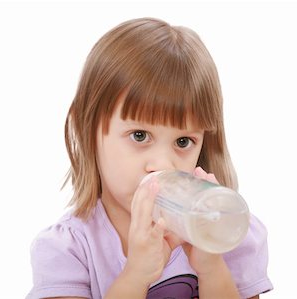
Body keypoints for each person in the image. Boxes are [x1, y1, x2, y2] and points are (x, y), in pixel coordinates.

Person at [26, 17, 273, 299]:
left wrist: (212, 268)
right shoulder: (68, 250)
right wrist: (136, 275)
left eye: (183, 141)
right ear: (88, 130)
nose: (163, 164)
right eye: (140, 135)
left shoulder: (227, 231)